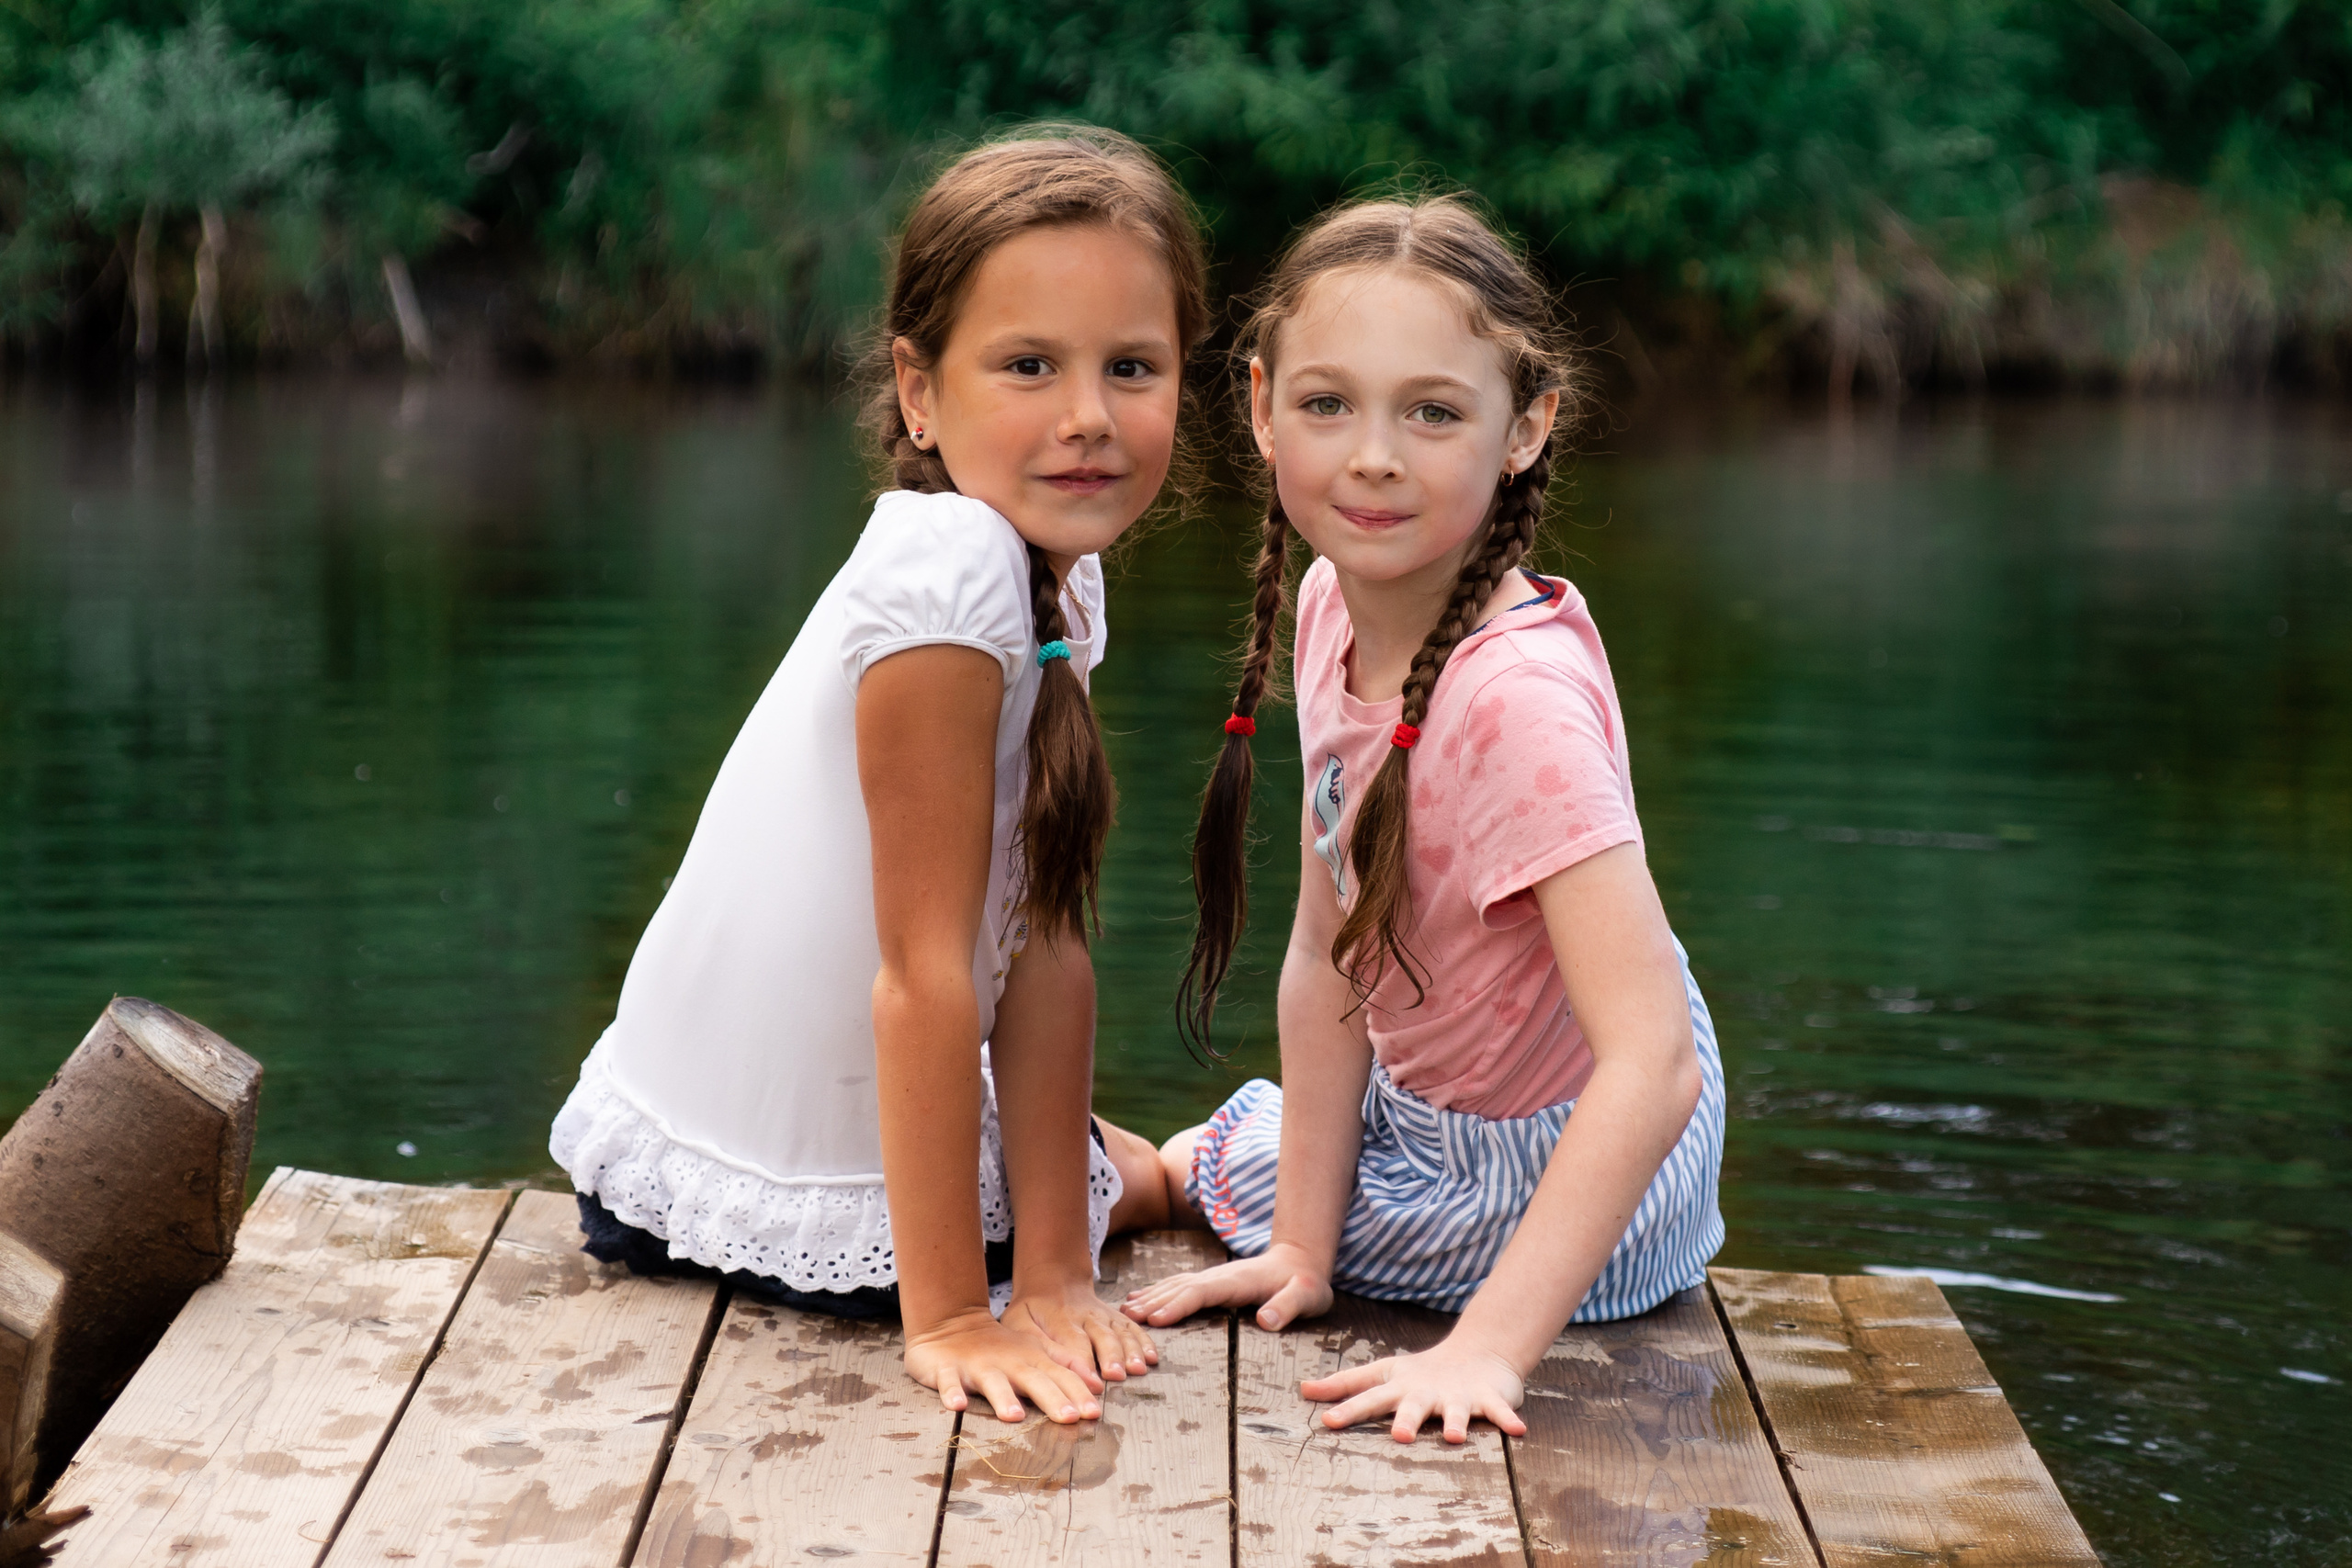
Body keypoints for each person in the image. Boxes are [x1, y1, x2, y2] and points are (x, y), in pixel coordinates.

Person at [548, 127, 1210, 1427]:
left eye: (1131, 367)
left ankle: (1140, 1178)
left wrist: (1063, 1275)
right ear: (919, 388)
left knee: (1092, 1185)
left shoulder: (1051, 569)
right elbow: (924, 977)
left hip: (810, 1116)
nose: (1088, 416)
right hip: (763, 1178)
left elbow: (1041, 938)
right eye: (1029, 365)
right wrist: (961, 1316)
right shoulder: (947, 575)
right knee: (1128, 1178)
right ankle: (1167, 1171)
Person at [1121, 196, 1726, 1446]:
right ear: (1258, 406)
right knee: (1274, 1172)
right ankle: (1212, 1185)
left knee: (1197, 1159)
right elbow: (1324, 955)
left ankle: (1150, 1172)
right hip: (1480, 1093)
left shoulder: (1514, 706)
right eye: (1328, 403)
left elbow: (1654, 1062)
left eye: (1434, 411)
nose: (1374, 457)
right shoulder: (1340, 600)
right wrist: (1300, 1244)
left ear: (1528, 426)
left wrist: (1489, 1352)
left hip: (1555, 1162)